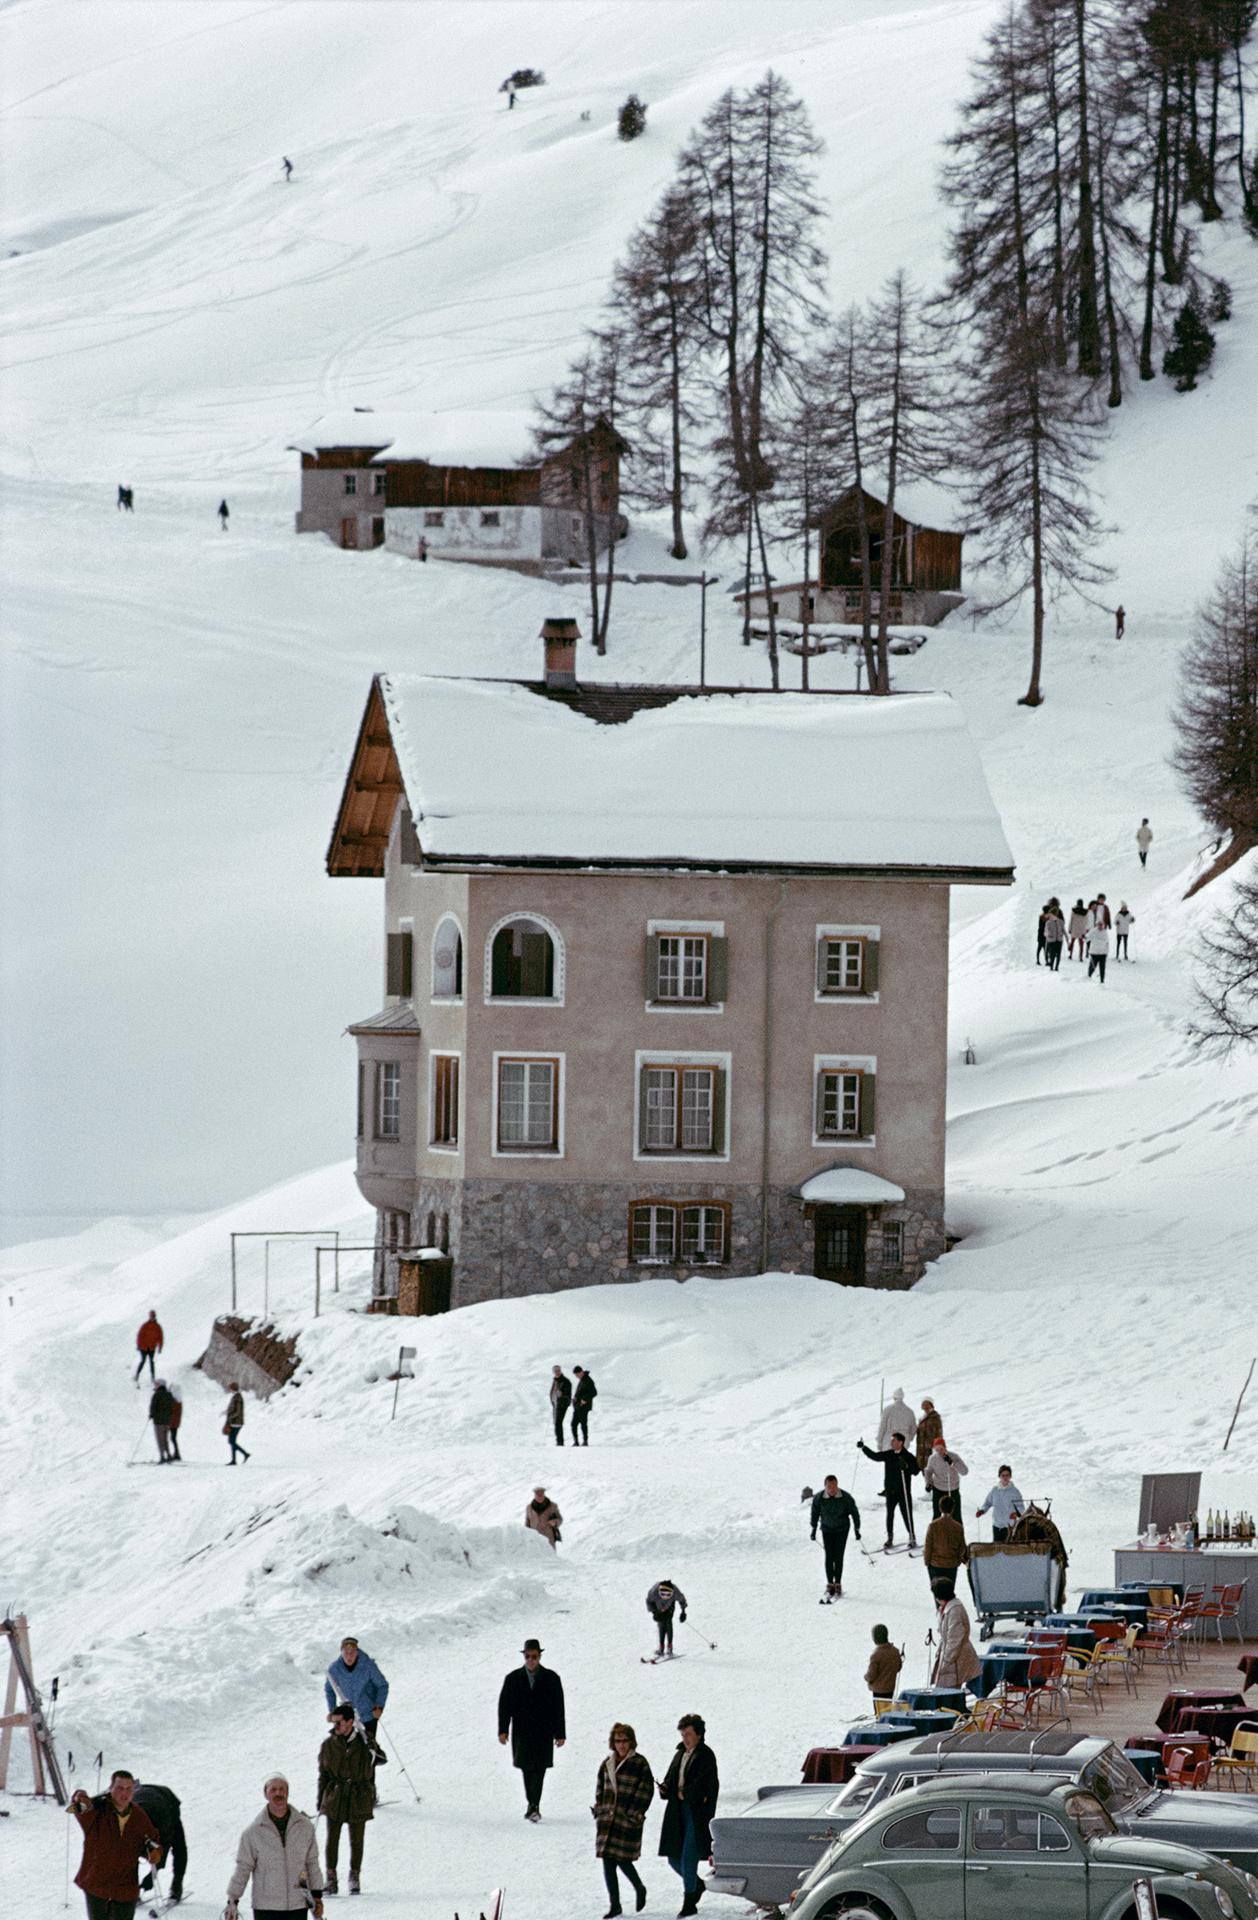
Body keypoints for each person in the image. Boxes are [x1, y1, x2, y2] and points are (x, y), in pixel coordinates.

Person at [225, 1774, 323, 1918]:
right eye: (273, 1790)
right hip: (266, 1907)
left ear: (287, 1792)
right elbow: (243, 1867)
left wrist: (317, 1896)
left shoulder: (305, 1828)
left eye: (282, 1789)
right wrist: (233, 1899)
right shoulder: (253, 1832)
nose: (278, 1793)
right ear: (266, 1794)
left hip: (298, 1905)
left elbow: (312, 1863)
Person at [71, 1771, 161, 1920]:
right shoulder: (96, 1810)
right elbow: (76, 1809)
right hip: (97, 1883)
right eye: (120, 1788)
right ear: (111, 1788)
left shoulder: (139, 1816)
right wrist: (79, 1795)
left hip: (125, 1886)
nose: (124, 1793)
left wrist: (154, 1852)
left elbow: (153, 1841)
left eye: (129, 1789)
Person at [657, 1713, 718, 1919]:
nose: (685, 1738)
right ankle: (696, 1885)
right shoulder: (679, 1754)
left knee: (689, 1855)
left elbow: (706, 1785)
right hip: (677, 1810)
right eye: (683, 1734)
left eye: (688, 1734)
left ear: (699, 1734)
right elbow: (671, 1778)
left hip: (696, 1813)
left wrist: (686, 1794)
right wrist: (665, 1788)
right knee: (673, 1857)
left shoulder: (706, 1755)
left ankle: (689, 1900)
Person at [497, 1637, 565, 1822]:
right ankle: (532, 1803)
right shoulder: (512, 1679)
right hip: (523, 1732)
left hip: (544, 1731)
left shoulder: (552, 1678)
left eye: (534, 1656)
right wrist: (503, 1730)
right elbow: (505, 1706)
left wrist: (560, 1733)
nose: (531, 1660)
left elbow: (559, 1707)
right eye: (528, 1656)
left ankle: (535, 1803)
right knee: (527, 1768)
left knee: (540, 1768)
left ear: (539, 1656)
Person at [594, 1722, 653, 1917]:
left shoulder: (639, 1763)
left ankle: (639, 1887)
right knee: (608, 1861)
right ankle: (615, 1905)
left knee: (623, 1859)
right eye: (618, 1741)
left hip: (627, 1820)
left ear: (631, 1742)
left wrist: (635, 1813)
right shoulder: (607, 1763)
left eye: (624, 1741)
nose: (621, 1745)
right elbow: (600, 1789)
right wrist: (600, 1809)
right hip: (607, 1820)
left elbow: (645, 1790)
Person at [317, 1701, 374, 1896]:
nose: (336, 1727)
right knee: (332, 1839)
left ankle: (354, 1876)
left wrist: (369, 1742)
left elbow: (380, 1759)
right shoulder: (328, 1744)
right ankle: (331, 1878)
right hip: (336, 1796)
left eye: (340, 1723)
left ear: (350, 1722)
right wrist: (320, 1802)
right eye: (334, 1723)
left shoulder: (363, 1742)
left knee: (357, 1840)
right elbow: (323, 1774)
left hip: (358, 1797)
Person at [323, 1636, 388, 1760]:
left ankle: (369, 1777)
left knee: (368, 1753)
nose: (349, 1656)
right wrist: (333, 1711)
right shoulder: (334, 1669)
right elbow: (329, 1690)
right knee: (345, 1753)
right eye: (346, 1653)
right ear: (341, 1653)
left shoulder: (368, 1665)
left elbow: (382, 1686)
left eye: (352, 1652)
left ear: (357, 1652)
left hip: (368, 1715)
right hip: (346, 1718)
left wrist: (379, 1706)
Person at [858, 1431, 919, 1548]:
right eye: (891, 1440)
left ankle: (912, 1536)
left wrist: (906, 1467)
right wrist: (864, 1448)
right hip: (890, 1491)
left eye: (894, 1440)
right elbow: (875, 1456)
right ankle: (890, 1538)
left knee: (907, 1514)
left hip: (903, 1492)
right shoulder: (889, 1454)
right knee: (889, 1515)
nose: (891, 1442)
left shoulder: (908, 1456)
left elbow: (916, 1470)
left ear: (900, 1442)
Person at [132, 1779, 187, 1906]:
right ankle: (133, 1890)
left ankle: (176, 1886)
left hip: (168, 1803)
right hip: (144, 1796)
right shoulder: (129, 1819)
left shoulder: (162, 1821)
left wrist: (152, 1875)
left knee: (179, 1846)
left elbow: (164, 1848)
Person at [809, 1474, 861, 1599]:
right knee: (829, 1556)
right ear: (825, 1487)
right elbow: (815, 1513)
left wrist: (857, 1528)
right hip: (827, 1529)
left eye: (834, 1486)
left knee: (838, 1555)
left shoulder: (845, 1497)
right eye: (829, 1487)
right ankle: (829, 1583)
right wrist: (814, 1529)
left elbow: (854, 1513)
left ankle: (837, 1582)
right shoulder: (819, 1498)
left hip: (842, 1529)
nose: (832, 1489)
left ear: (837, 1486)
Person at [931, 1578, 981, 1691]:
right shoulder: (945, 1608)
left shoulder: (954, 1610)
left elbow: (954, 1639)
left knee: (949, 1692)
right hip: (951, 1655)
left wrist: (947, 1660)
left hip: (956, 1657)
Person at [923, 1492, 969, 1589]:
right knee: (948, 1593)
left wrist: (927, 1562)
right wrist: (961, 1561)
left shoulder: (933, 1526)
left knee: (938, 1594)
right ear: (952, 1509)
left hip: (935, 1564)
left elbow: (928, 1545)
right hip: (951, 1565)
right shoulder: (958, 1527)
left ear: (940, 1508)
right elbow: (962, 1548)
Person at [922, 1435, 969, 1519]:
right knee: (936, 1515)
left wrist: (952, 1463)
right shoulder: (932, 1458)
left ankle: (958, 1531)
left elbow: (964, 1471)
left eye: (941, 1449)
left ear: (945, 1447)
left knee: (956, 1515)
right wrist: (928, 1483)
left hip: (953, 1489)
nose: (939, 1451)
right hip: (938, 1489)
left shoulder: (954, 1456)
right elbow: (928, 1471)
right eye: (937, 1449)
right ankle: (935, 1531)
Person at [976, 1465, 1025, 1542]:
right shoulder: (995, 1490)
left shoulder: (1015, 1492)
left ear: (1010, 1476)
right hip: (997, 1526)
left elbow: (1021, 1507)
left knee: (1008, 1549)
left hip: (1009, 1526)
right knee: (996, 1550)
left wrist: (1016, 1513)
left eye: (1007, 1475)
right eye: (1003, 1475)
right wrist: (982, 1510)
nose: (1005, 1477)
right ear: (999, 1476)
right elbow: (988, 1503)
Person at [864, 1624, 903, 1707]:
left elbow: (871, 1675)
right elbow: (898, 1667)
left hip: (878, 1690)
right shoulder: (895, 1651)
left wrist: (866, 1677)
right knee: (887, 1709)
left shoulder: (876, 1655)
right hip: (890, 1688)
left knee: (879, 1711)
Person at [645, 1580, 687, 1655]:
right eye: (663, 1594)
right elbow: (648, 1601)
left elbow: (682, 1599)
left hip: (669, 1606)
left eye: (668, 1594)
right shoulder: (653, 1592)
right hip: (658, 1607)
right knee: (661, 1624)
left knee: (668, 1622)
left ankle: (670, 1647)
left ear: (672, 1593)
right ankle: (661, 1647)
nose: (665, 1596)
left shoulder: (675, 1591)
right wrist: (654, 1611)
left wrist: (683, 1612)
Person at [875, 1387, 917, 1452]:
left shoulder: (888, 1409)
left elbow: (882, 1427)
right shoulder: (909, 1412)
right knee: (901, 1460)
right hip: (903, 1441)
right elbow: (914, 1429)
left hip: (889, 1440)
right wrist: (908, 1438)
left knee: (890, 1461)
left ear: (894, 1397)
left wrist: (879, 1441)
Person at [224, 1381, 250, 1463]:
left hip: (236, 1423)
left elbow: (238, 1412)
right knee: (232, 1441)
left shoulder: (238, 1398)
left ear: (233, 1389)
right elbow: (232, 1409)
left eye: (230, 1388)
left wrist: (230, 1417)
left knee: (231, 1441)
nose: (229, 1390)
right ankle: (234, 1460)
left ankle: (244, 1454)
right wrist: (226, 1412)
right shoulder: (235, 1396)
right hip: (234, 1422)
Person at [915, 1399, 943, 1473]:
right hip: (921, 1452)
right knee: (925, 1474)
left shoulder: (935, 1417)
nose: (925, 1408)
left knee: (932, 1474)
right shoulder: (922, 1419)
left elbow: (939, 1434)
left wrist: (937, 1449)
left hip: (931, 1450)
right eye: (924, 1406)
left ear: (931, 1406)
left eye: (927, 1405)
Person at [149, 1379, 174, 1463]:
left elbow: (153, 1406)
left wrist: (151, 1415)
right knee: (165, 1438)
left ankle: (162, 1456)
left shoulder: (156, 1395)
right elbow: (171, 1407)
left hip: (158, 1421)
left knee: (160, 1439)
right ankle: (168, 1454)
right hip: (167, 1421)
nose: (155, 1386)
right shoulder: (169, 1395)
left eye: (156, 1384)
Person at [134, 1311, 163, 1383]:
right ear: (149, 1317)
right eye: (151, 1316)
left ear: (155, 1317)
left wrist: (160, 1347)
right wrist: (138, 1345)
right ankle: (137, 1375)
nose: (152, 1317)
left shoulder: (158, 1327)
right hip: (143, 1347)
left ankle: (153, 1378)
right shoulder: (145, 1325)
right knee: (143, 1361)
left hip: (152, 1348)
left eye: (153, 1316)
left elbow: (160, 1338)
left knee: (151, 1362)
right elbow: (140, 1336)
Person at [571, 1364, 597, 1445]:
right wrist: (575, 1398)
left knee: (583, 1423)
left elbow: (594, 1392)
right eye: (575, 1375)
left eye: (577, 1374)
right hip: (577, 1406)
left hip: (584, 1406)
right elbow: (579, 1392)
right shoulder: (582, 1380)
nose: (576, 1376)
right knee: (573, 1424)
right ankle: (576, 1441)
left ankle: (585, 1441)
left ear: (581, 1372)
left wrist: (585, 1399)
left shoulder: (588, 1380)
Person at [550, 1364, 572, 1445]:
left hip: (562, 1405)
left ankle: (560, 1442)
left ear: (561, 1370)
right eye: (555, 1371)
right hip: (556, 1405)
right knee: (556, 1422)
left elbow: (568, 1394)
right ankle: (558, 1441)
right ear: (553, 1372)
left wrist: (561, 1395)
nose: (557, 1372)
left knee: (558, 1422)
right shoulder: (555, 1381)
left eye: (558, 1370)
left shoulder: (565, 1381)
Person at [1042, 901, 1066, 972]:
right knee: (1053, 953)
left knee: (1055, 953)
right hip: (1053, 939)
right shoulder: (1050, 918)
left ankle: (1054, 967)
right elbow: (1045, 930)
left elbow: (1062, 927)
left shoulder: (1057, 916)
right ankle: (1053, 966)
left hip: (1057, 938)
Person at [1088, 915, 1111, 983]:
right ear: (1097, 925)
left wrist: (1107, 952)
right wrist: (1085, 937)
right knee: (1092, 967)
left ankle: (1102, 980)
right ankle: (1088, 977)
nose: (1100, 926)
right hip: (1094, 953)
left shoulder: (1105, 933)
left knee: (1102, 968)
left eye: (1102, 924)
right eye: (1099, 924)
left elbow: (1107, 943)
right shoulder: (1093, 931)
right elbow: (1087, 938)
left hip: (1102, 953)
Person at [167, 1381, 183, 1461]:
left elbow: (171, 1410)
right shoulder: (179, 1400)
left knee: (172, 1438)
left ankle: (176, 1453)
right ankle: (176, 1453)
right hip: (175, 1422)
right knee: (173, 1438)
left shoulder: (174, 1400)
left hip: (172, 1422)